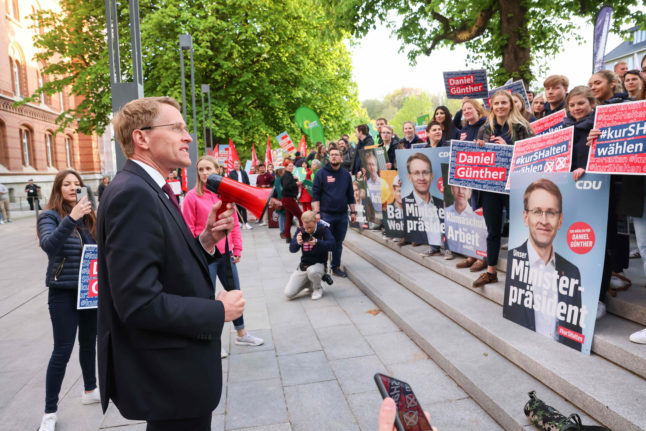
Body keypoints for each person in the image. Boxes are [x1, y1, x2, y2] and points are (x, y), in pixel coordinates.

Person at [96, 96, 245, 431]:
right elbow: (138, 303)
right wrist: (218, 311)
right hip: (169, 376)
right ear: (142, 138)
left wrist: (206, 239)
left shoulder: (149, 187)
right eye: (177, 128)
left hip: (174, 377)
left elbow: (164, 265)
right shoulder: (133, 193)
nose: (188, 137)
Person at [182, 155, 264, 357]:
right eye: (200, 169)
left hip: (225, 252)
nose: (204, 173)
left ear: (217, 171)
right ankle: (213, 340)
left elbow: (234, 223)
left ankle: (241, 333)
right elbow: (189, 229)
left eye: (208, 168)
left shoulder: (223, 196)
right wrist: (199, 249)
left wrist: (238, 248)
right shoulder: (192, 197)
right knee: (208, 297)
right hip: (205, 255)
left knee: (234, 291)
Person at [36, 170, 99, 431]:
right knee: (62, 350)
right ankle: (49, 411)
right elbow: (49, 245)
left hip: (90, 290)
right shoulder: (49, 216)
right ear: (58, 189)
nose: (73, 188)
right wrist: (71, 218)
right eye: (67, 184)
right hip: (62, 291)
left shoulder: (90, 217)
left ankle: (90, 389)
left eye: (77, 184)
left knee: (88, 344)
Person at [504, 178, 583, 351]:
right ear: (526, 217)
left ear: (560, 220)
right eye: (537, 211)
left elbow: (574, 333)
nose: (544, 220)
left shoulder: (572, 272)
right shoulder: (513, 261)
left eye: (551, 213)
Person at [474, 90, 533, 287]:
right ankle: (491, 271)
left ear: (511, 105)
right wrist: (478, 148)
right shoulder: (484, 128)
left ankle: (523, 272)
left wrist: (508, 145)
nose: (500, 107)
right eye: (496, 103)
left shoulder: (522, 126)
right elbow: (477, 159)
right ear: (492, 106)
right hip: (491, 186)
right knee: (492, 230)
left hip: (516, 185)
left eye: (503, 103)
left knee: (520, 229)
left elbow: (532, 153)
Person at [312, 146, 356, 277]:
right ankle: (322, 267)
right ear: (328, 157)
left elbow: (350, 195)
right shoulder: (321, 173)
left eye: (336, 154)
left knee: (338, 243)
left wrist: (353, 212)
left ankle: (335, 266)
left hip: (342, 215)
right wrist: (317, 213)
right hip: (326, 215)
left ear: (341, 158)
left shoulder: (346, 175)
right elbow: (316, 195)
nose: (334, 156)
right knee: (325, 242)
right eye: (331, 155)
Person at [284, 211, 336, 300]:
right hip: (304, 265)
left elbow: (333, 245)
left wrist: (317, 242)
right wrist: (297, 242)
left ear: (316, 222)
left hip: (318, 265)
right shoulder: (300, 230)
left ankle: (317, 288)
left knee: (313, 272)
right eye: (306, 227)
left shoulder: (323, 229)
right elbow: (292, 250)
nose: (308, 230)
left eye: (310, 227)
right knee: (289, 293)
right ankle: (309, 283)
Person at [401, 153, 445, 253]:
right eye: (416, 173)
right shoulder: (404, 204)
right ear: (409, 177)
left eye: (425, 172)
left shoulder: (443, 204)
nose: (421, 177)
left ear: (432, 176)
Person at [563, 86, 596, 182]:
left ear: (592, 103)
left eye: (581, 103)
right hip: (568, 180)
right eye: (572, 105)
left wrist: (585, 168)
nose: (576, 108)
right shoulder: (565, 128)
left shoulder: (599, 125)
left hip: (592, 180)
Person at [279, 160, 303, 242]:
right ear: (285, 167)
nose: (291, 167)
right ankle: (303, 234)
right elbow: (286, 186)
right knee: (301, 216)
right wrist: (296, 183)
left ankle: (288, 237)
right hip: (288, 199)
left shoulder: (288, 175)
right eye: (289, 166)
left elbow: (288, 183)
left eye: (292, 166)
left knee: (289, 218)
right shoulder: (286, 175)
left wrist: (294, 179)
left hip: (287, 198)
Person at [228, 159, 253, 229]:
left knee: (244, 207)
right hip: (236, 192)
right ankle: (239, 222)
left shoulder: (243, 172)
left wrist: (248, 190)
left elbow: (247, 182)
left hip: (243, 191)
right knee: (237, 208)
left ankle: (245, 222)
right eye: (235, 164)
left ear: (240, 165)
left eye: (238, 164)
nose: (236, 165)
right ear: (233, 165)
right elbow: (230, 183)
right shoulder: (231, 173)